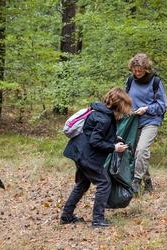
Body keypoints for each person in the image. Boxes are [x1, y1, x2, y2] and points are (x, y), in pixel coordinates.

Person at [61, 87, 132, 227]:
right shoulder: (105, 118)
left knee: (82, 184)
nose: (126, 110)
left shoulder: (100, 112)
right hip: (87, 155)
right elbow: (95, 141)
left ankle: (66, 216)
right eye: (126, 106)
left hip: (79, 151)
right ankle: (98, 220)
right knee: (104, 183)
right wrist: (114, 147)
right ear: (119, 104)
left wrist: (114, 138)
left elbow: (94, 132)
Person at [125, 53, 167, 195]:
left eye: (140, 71)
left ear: (146, 69)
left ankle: (136, 182)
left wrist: (147, 108)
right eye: (135, 70)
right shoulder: (130, 80)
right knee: (136, 154)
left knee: (141, 150)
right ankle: (148, 182)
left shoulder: (155, 82)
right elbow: (126, 99)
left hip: (151, 120)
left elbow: (162, 106)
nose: (137, 73)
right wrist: (127, 110)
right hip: (134, 120)